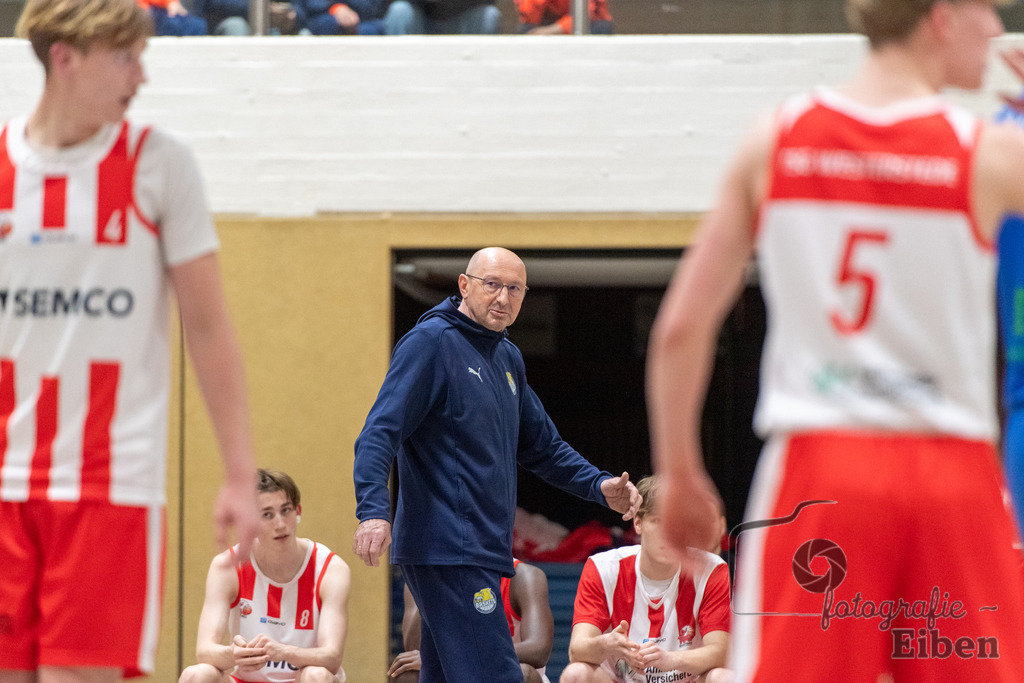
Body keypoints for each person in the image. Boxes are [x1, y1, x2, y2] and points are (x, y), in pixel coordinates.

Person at [646, 0, 1024, 681]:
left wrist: (677, 470)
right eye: (987, 9)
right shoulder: (990, 152)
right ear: (940, 18)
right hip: (953, 471)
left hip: (821, 468)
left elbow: (680, 328)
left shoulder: (776, 138)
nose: (998, 28)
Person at [1, 0, 261, 679]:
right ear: (65, 57)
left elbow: (207, 325)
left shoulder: (159, 164)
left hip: (108, 484)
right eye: (125, 57)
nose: (139, 77)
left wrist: (239, 472)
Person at [353, 246, 642, 682]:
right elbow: (380, 432)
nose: (503, 297)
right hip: (449, 545)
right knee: (497, 674)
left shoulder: (507, 357)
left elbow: (543, 446)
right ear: (464, 286)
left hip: (482, 547)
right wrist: (373, 511)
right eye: (492, 285)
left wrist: (598, 485)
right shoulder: (432, 343)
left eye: (514, 289)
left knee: (446, 675)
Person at [180, 469, 350, 683]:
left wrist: (284, 652)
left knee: (317, 676)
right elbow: (204, 651)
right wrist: (233, 654)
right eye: (267, 514)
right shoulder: (228, 565)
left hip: (301, 679)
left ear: (298, 510)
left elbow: (332, 657)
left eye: (285, 510)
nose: (280, 524)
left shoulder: (330, 568)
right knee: (196, 675)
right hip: (244, 679)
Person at [561, 475, 733, 683]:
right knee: (575, 674)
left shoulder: (711, 569)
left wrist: (670, 659)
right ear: (638, 523)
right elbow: (576, 650)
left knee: (725, 678)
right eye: (658, 521)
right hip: (620, 680)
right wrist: (608, 644)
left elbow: (721, 652)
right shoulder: (603, 568)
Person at [388, 559, 553, 683]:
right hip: (453, 673)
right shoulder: (422, 578)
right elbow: (413, 649)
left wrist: (458, 658)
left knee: (524, 674)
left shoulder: (523, 576)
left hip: (500, 672)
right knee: (406, 676)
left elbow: (537, 651)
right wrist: (434, 580)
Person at [383, 0, 500, 35]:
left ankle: (476, 85)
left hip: (463, 15)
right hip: (420, 15)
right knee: (399, 11)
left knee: (489, 15)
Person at [515, 0, 612, 35]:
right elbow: (530, 17)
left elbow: (587, 14)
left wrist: (549, 31)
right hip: (549, 17)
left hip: (589, 23)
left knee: (601, 27)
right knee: (526, 29)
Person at [137, 0, 208, 35]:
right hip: (144, 14)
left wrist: (170, 2)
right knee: (197, 26)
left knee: (198, 25)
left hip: (150, 12)